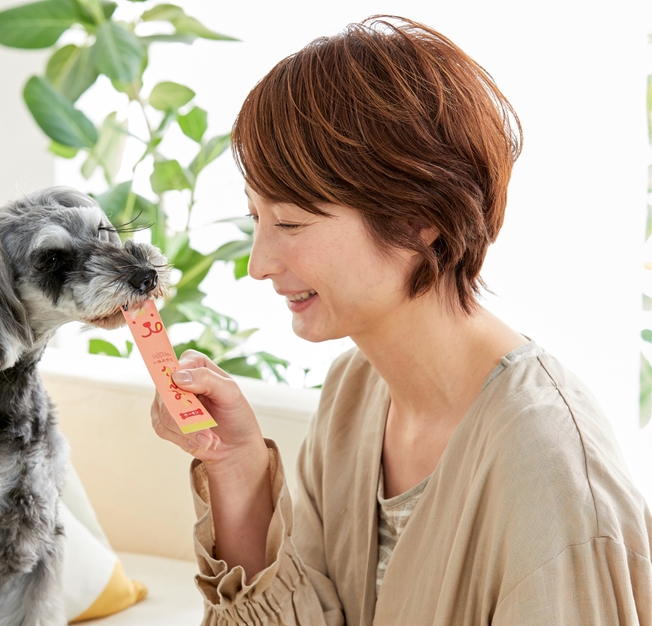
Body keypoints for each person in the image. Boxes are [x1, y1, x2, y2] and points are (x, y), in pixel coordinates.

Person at [149, 15, 652, 625]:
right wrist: (236, 466)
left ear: (419, 218)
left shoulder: (549, 466)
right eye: (257, 219)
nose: (259, 264)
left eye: (290, 223)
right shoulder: (354, 392)